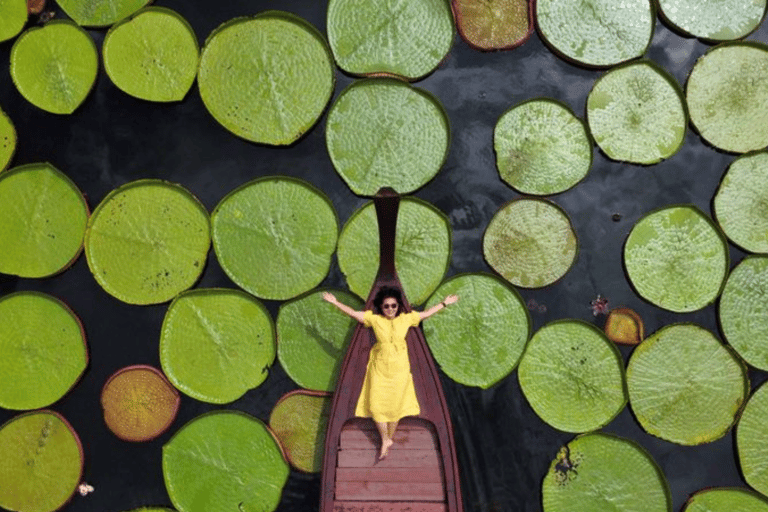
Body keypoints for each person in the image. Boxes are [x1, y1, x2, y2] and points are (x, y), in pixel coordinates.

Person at [323, 287, 458, 459]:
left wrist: (444, 303)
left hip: (399, 369)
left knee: (396, 405)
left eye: (393, 306)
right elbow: (355, 314)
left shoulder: (406, 319)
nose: (390, 309)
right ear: (381, 307)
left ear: (398, 306)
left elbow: (425, 314)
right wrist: (335, 302)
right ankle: (386, 439)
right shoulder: (375, 319)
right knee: (376, 404)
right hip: (380, 368)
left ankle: (388, 439)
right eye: (386, 306)